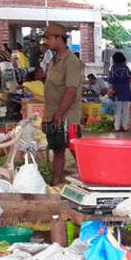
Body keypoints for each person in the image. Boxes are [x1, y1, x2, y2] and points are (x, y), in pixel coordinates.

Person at [42, 23, 83, 184]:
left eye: (49, 39)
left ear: (59, 39)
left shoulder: (71, 61)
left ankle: (90, 181)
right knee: (57, 149)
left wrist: (59, 115)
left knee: (75, 151)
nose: (47, 43)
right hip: (53, 114)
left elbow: (70, 91)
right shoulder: (54, 60)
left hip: (67, 116)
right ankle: (56, 182)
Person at [108, 52, 131, 132]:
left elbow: (111, 80)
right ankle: (125, 127)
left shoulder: (114, 68)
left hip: (117, 91)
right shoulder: (125, 67)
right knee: (126, 110)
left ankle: (117, 127)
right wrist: (128, 81)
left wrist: (111, 89)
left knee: (118, 110)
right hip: (126, 90)